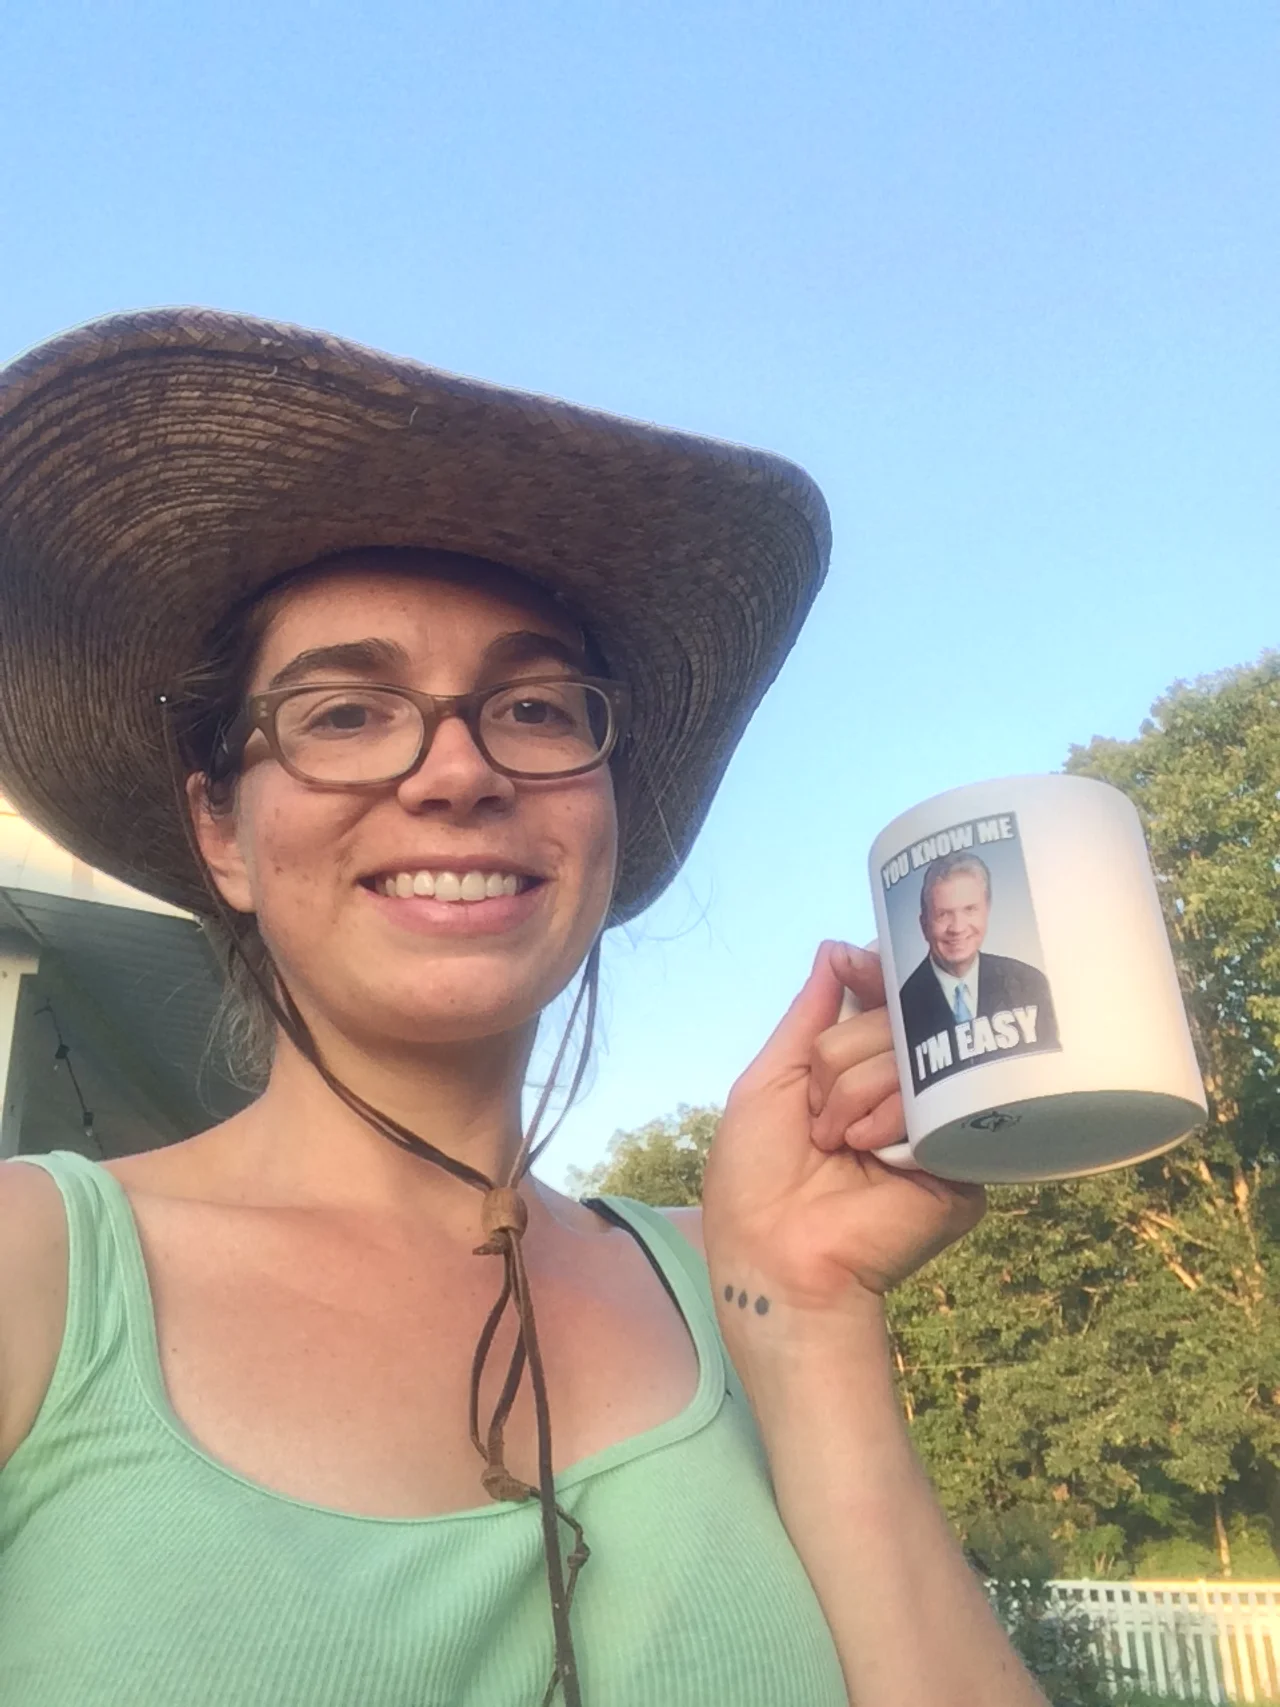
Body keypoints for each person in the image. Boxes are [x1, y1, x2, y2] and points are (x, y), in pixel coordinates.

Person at [0, 308, 1047, 1706]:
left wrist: (805, 1309)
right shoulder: (36, 1273)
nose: (455, 772)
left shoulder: (740, 1280)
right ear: (223, 830)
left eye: (539, 708)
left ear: (605, 813)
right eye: (344, 711)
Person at [899, 850, 1059, 1092]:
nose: (958, 927)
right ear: (924, 924)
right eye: (943, 914)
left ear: (987, 910)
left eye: (970, 909)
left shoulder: (1030, 984)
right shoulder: (903, 1007)